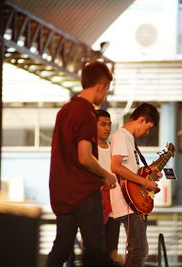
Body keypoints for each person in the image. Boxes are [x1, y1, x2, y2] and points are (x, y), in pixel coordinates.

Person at [47, 61, 117, 267]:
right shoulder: (86, 114)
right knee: (95, 248)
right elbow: (84, 157)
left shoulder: (65, 111)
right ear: (100, 87)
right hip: (84, 193)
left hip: (62, 192)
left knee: (62, 247)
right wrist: (106, 174)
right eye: (107, 90)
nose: (105, 95)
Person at [110, 103, 160, 267]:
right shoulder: (121, 136)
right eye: (148, 127)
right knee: (138, 251)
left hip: (133, 201)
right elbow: (116, 166)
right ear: (142, 120)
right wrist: (145, 181)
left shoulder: (129, 138)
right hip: (127, 202)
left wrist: (148, 174)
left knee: (138, 250)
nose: (147, 132)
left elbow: (131, 171)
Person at [96, 109, 122, 266]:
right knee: (94, 252)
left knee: (112, 253)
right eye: (103, 124)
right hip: (95, 210)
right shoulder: (89, 150)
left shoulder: (115, 149)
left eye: (109, 125)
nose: (107, 128)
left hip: (114, 210)